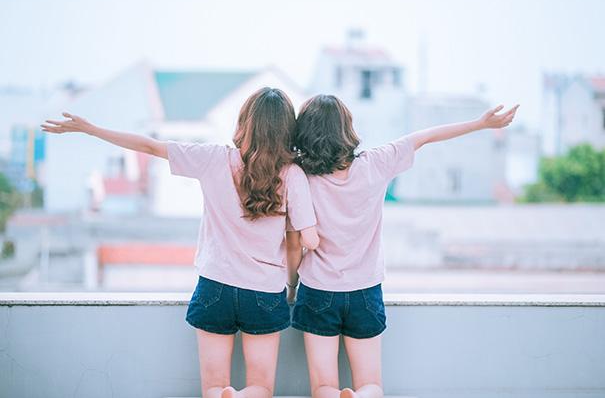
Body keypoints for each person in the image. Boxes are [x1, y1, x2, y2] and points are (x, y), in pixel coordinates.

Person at [42, 87, 319, 398]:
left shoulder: (213, 159)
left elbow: (148, 146)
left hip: (215, 285)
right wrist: (292, 287)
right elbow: (296, 243)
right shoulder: (293, 175)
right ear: (287, 130)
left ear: (245, 122)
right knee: (261, 387)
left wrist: (91, 130)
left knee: (213, 386)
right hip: (265, 291)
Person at [288, 95, 518, 398]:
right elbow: (425, 137)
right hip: (365, 290)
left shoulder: (301, 176)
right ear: (347, 129)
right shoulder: (376, 163)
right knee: (372, 383)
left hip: (318, 289)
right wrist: (481, 123)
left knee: (323, 386)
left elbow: (294, 241)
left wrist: (291, 286)